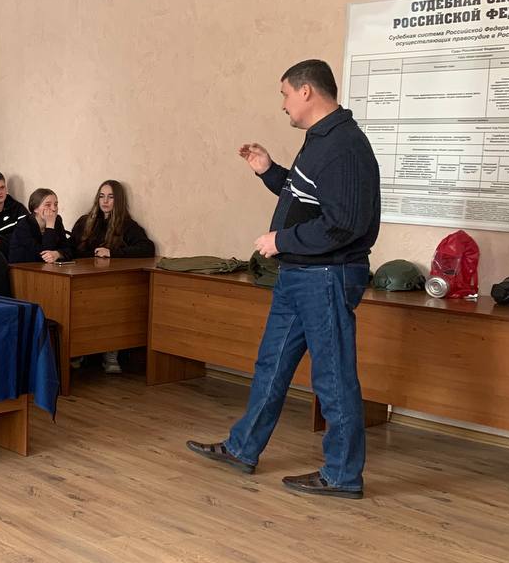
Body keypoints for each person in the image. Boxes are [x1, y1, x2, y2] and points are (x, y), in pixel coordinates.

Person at [187, 59, 381, 500]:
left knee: (332, 377)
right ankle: (243, 448)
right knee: (271, 364)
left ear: (306, 91)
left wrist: (281, 239)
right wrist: (269, 171)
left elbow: (344, 224)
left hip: (327, 276)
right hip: (301, 275)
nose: (283, 104)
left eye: (285, 94)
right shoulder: (321, 139)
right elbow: (307, 198)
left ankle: (342, 474)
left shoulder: (345, 145)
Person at [70, 180, 156, 374]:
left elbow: (146, 248)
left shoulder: (126, 225)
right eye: (101, 196)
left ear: (118, 200)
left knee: (111, 306)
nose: (105, 201)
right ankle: (78, 352)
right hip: (83, 279)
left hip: (108, 283)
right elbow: (72, 247)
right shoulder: (85, 222)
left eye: (110, 197)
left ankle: (110, 353)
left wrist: (112, 252)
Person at [8, 188, 72, 264]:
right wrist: (50, 225)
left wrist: (58, 254)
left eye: (55, 204)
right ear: (35, 208)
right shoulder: (24, 225)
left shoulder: (57, 220)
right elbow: (44, 255)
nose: (54, 209)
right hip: (22, 267)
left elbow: (68, 249)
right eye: (48, 205)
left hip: (47, 267)